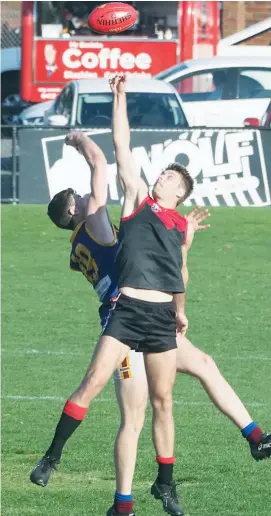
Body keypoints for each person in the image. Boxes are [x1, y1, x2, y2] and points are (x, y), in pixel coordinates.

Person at [30, 95, 271, 515]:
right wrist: (78, 138)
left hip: (149, 312)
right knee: (136, 415)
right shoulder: (98, 223)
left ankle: (250, 438)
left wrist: (180, 242)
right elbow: (104, 163)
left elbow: (168, 270)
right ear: (75, 211)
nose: (88, 195)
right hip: (124, 319)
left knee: (194, 373)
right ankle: (121, 499)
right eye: (80, 197)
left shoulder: (79, 245)